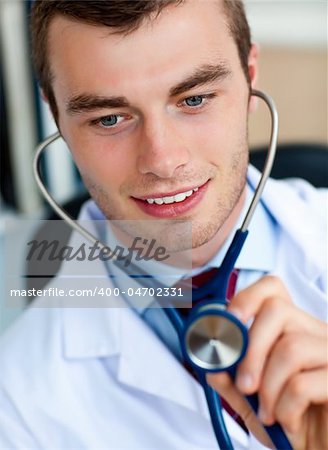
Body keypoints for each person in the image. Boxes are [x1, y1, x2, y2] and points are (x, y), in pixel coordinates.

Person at [0, 1, 327, 449]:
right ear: (56, 115)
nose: (163, 160)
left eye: (193, 99)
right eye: (109, 119)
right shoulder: (17, 407)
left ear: (251, 77)